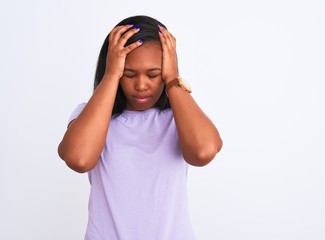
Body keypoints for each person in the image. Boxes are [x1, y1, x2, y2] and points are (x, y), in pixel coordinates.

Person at [58, 15, 222, 240]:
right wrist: (111, 75)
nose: (141, 85)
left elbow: (203, 152)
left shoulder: (179, 118)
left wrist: (173, 79)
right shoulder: (90, 117)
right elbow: (78, 159)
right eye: (129, 74)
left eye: (154, 75)